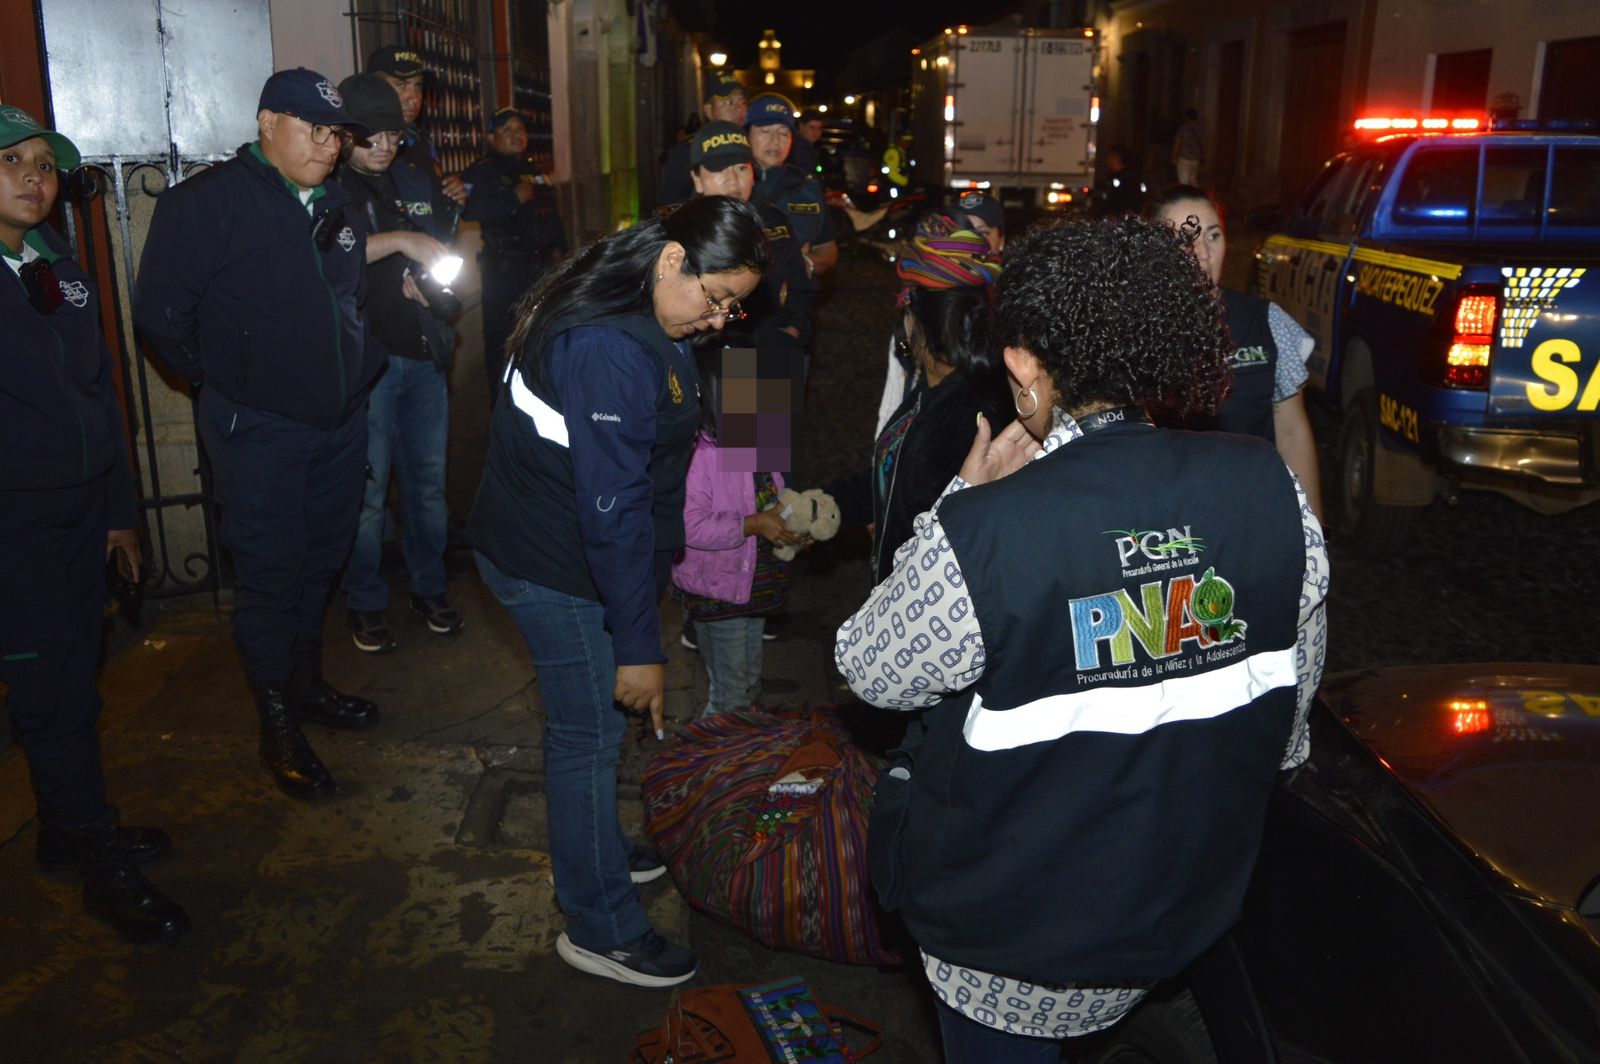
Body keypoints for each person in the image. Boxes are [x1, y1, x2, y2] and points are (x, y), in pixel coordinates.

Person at [837, 215, 1329, 1060]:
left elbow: (870, 669)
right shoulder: (1269, 488)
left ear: (1025, 366)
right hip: (1177, 903)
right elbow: (1287, 724)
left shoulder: (989, 531)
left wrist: (957, 503)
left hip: (1009, 942)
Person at [467, 196, 768, 987]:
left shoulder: (638, 308)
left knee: (591, 732)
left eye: (734, 307)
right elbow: (614, 510)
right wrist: (638, 646)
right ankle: (599, 924)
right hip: (554, 565)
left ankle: (598, 845)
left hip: (574, 550)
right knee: (587, 735)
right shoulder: (607, 346)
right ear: (673, 261)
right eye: (716, 299)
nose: (718, 321)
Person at [135, 69, 385, 801]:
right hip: (261, 428)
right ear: (266, 122)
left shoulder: (337, 199)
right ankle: (276, 719)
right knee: (271, 575)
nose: (328, 145)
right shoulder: (206, 204)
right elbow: (159, 316)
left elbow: (346, 296)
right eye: (313, 129)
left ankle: (306, 684)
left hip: (340, 422)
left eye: (336, 133)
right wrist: (230, 383)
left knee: (321, 560)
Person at [1, 106, 189, 943]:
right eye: (12, 161)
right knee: (52, 687)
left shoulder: (56, 265)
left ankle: (63, 829)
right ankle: (97, 847)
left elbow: (101, 391)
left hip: (82, 510)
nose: (34, 177)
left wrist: (120, 514)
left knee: (78, 670)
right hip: (16, 522)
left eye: (44, 163)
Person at [334, 74, 464, 653]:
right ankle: (364, 602)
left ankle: (429, 587)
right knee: (365, 497)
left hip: (423, 355)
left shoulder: (414, 180)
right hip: (369, 365)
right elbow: (326, 258)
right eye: (372, 136)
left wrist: (438, 294)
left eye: (393, 135)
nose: (384, 147)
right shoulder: (328, 186)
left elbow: (442, 252)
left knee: (427, 489)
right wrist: (404, 242)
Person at [833, 213, 1008, 583]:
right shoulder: (938, 393)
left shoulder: (959, 417)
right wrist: (824, 505)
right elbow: (892, 475)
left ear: (914, 323)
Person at [1150, 185, 1324, 521]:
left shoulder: (1266, 323)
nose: (1201, 252)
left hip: (1249, 518)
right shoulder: (1128, 332)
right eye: (1184, 238)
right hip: (1166, 530)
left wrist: (1313, 537)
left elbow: (1292, 433)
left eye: (1213, 236)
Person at [671, 352, 800, 718]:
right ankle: (715, 765)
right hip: (717, 591)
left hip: (753, 588)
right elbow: (688, 524)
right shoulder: (700, 455)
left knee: (748, 683)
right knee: (731, 694)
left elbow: (775, 496)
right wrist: (753, 524)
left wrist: (792, 523)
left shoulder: (754, 441)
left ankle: (731, 756)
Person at [873, 196, 1004, 438]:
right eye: (964, 234)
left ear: (1001, 238)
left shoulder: (1005, 308)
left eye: (982, 232)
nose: (971, 241)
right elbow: (895, 392)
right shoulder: (918, 310)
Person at [463, 107, 569, 404]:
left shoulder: (533, 170)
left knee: (539, 335)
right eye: (507, 129)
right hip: (504, 271)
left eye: (520, 128)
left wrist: (562, 253)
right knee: (502, 341)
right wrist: (511, 200)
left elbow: (551, 215)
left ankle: (536, 400)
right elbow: (470, 209)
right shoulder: (481, 171)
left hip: (540, 267)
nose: (516, 134)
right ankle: (502, 406)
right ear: (491, 137)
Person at [365, 44, 469, 218]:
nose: (413, 98)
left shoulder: (420, 141)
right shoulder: (357, 141)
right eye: (401, 84)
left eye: (418, 87)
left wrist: (452, 194)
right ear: (373, 86)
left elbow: (427, 209)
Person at [747, 93, 838, 279]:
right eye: (765, 131)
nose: (775, 140)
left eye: (783, 132)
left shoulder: (807, 187)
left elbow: (828, 249)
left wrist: (805, 263)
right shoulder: (730, 185)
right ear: (746, 135)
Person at [659, 76, 748, 206]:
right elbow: (670, 205)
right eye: (729, 102)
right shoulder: (688, 152)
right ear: (708, 110)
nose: (739, 109)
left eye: (743, 103)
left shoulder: (749, 147)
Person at [1097, 144, 1147, 216]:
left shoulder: (1126, 179)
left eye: (1110, 157)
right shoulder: (1120, 177)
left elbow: (1117, 202)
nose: (1107, 160)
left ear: (1117, 158)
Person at [788, 109, 825, 179]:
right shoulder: (798, 147)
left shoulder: (806, 145)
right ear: (801, 126)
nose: (816, 132)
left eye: (819, 128)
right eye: (811, 127)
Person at [1173, 108, 1205, 186]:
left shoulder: (1182, 129)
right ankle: (1196, 196)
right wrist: (1203, 154)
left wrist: (1174, 156)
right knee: (1192, 180)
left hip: (1184, 158)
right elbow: (1202, 143)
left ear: (1187, 117)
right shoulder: (1199, 129)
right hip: (1195, 159)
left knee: (1183, 182)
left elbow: (1177, 143)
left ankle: (1186, 197)